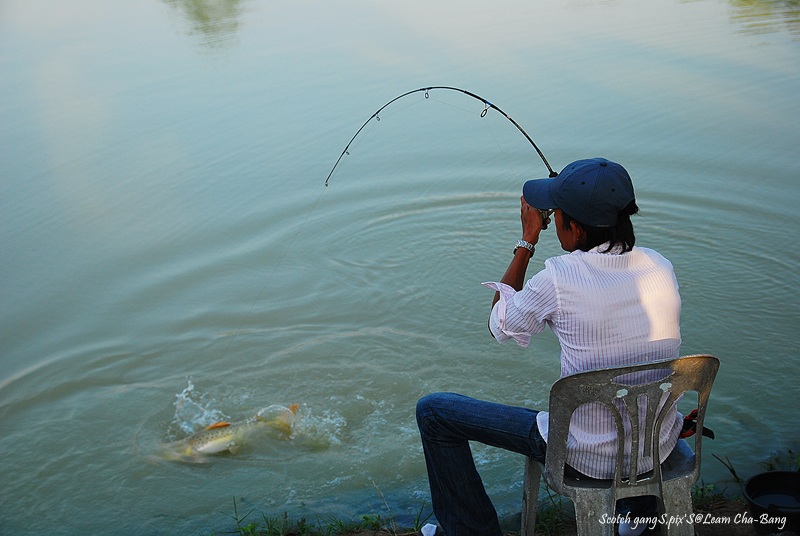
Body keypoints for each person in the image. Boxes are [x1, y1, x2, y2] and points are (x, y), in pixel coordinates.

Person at [416, 158, 683, 536]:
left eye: (556, 214)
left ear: (573, 228)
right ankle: (634, 519)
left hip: (586, 458)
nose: (552, 219)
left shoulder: (559, 276)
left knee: (434, 412)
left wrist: (527, 240)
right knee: (624, 389)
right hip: (657, 446)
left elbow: (499, 326)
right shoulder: (661, 267)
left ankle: (469, 530)